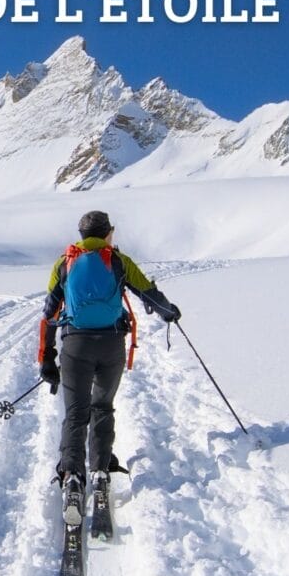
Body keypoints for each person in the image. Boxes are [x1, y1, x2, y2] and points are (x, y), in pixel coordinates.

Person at [38, 210, 181, 525]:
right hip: (111, 345)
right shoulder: (118, 261)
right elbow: (148, 293)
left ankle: (73, 476)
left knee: (76, 413)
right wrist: (169, 313)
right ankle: (100, 471)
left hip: (75, 346)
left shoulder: (65, 263)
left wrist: (47, 356)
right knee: (103, 405)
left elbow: (49, 312)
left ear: (81, 234)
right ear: (108, 234)